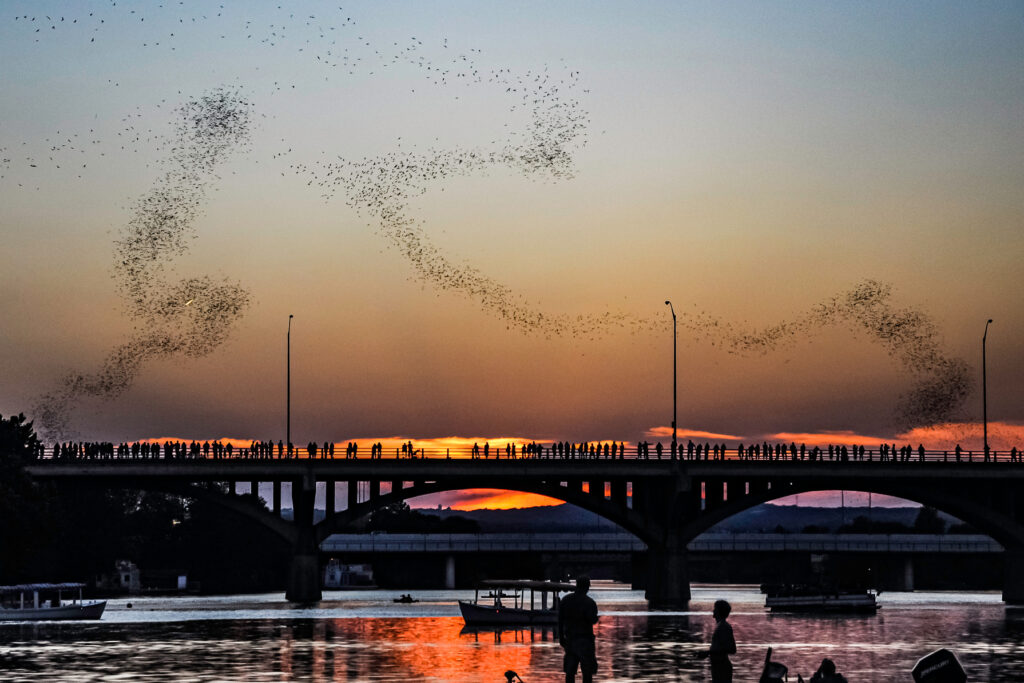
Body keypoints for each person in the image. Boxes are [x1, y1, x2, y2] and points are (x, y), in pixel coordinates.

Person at [559, 575, 599, 683]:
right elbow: (592, 620)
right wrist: (596, 618)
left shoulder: (566, 600)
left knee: (570, 672)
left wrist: (561, 637)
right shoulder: (589, 602)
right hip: (585, 641)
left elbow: (560, 620)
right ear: (586, 587)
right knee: (587, 672)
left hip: (570, 640)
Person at [700, 599, 736, 682]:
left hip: (722, 668)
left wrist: (708, 653)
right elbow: (720, 647)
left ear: (719, 611)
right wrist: (708, 653)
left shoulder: (724, 627)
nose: (713, 610)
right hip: (717, 667)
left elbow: (732, 649)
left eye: (715, 608)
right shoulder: (720, 626)